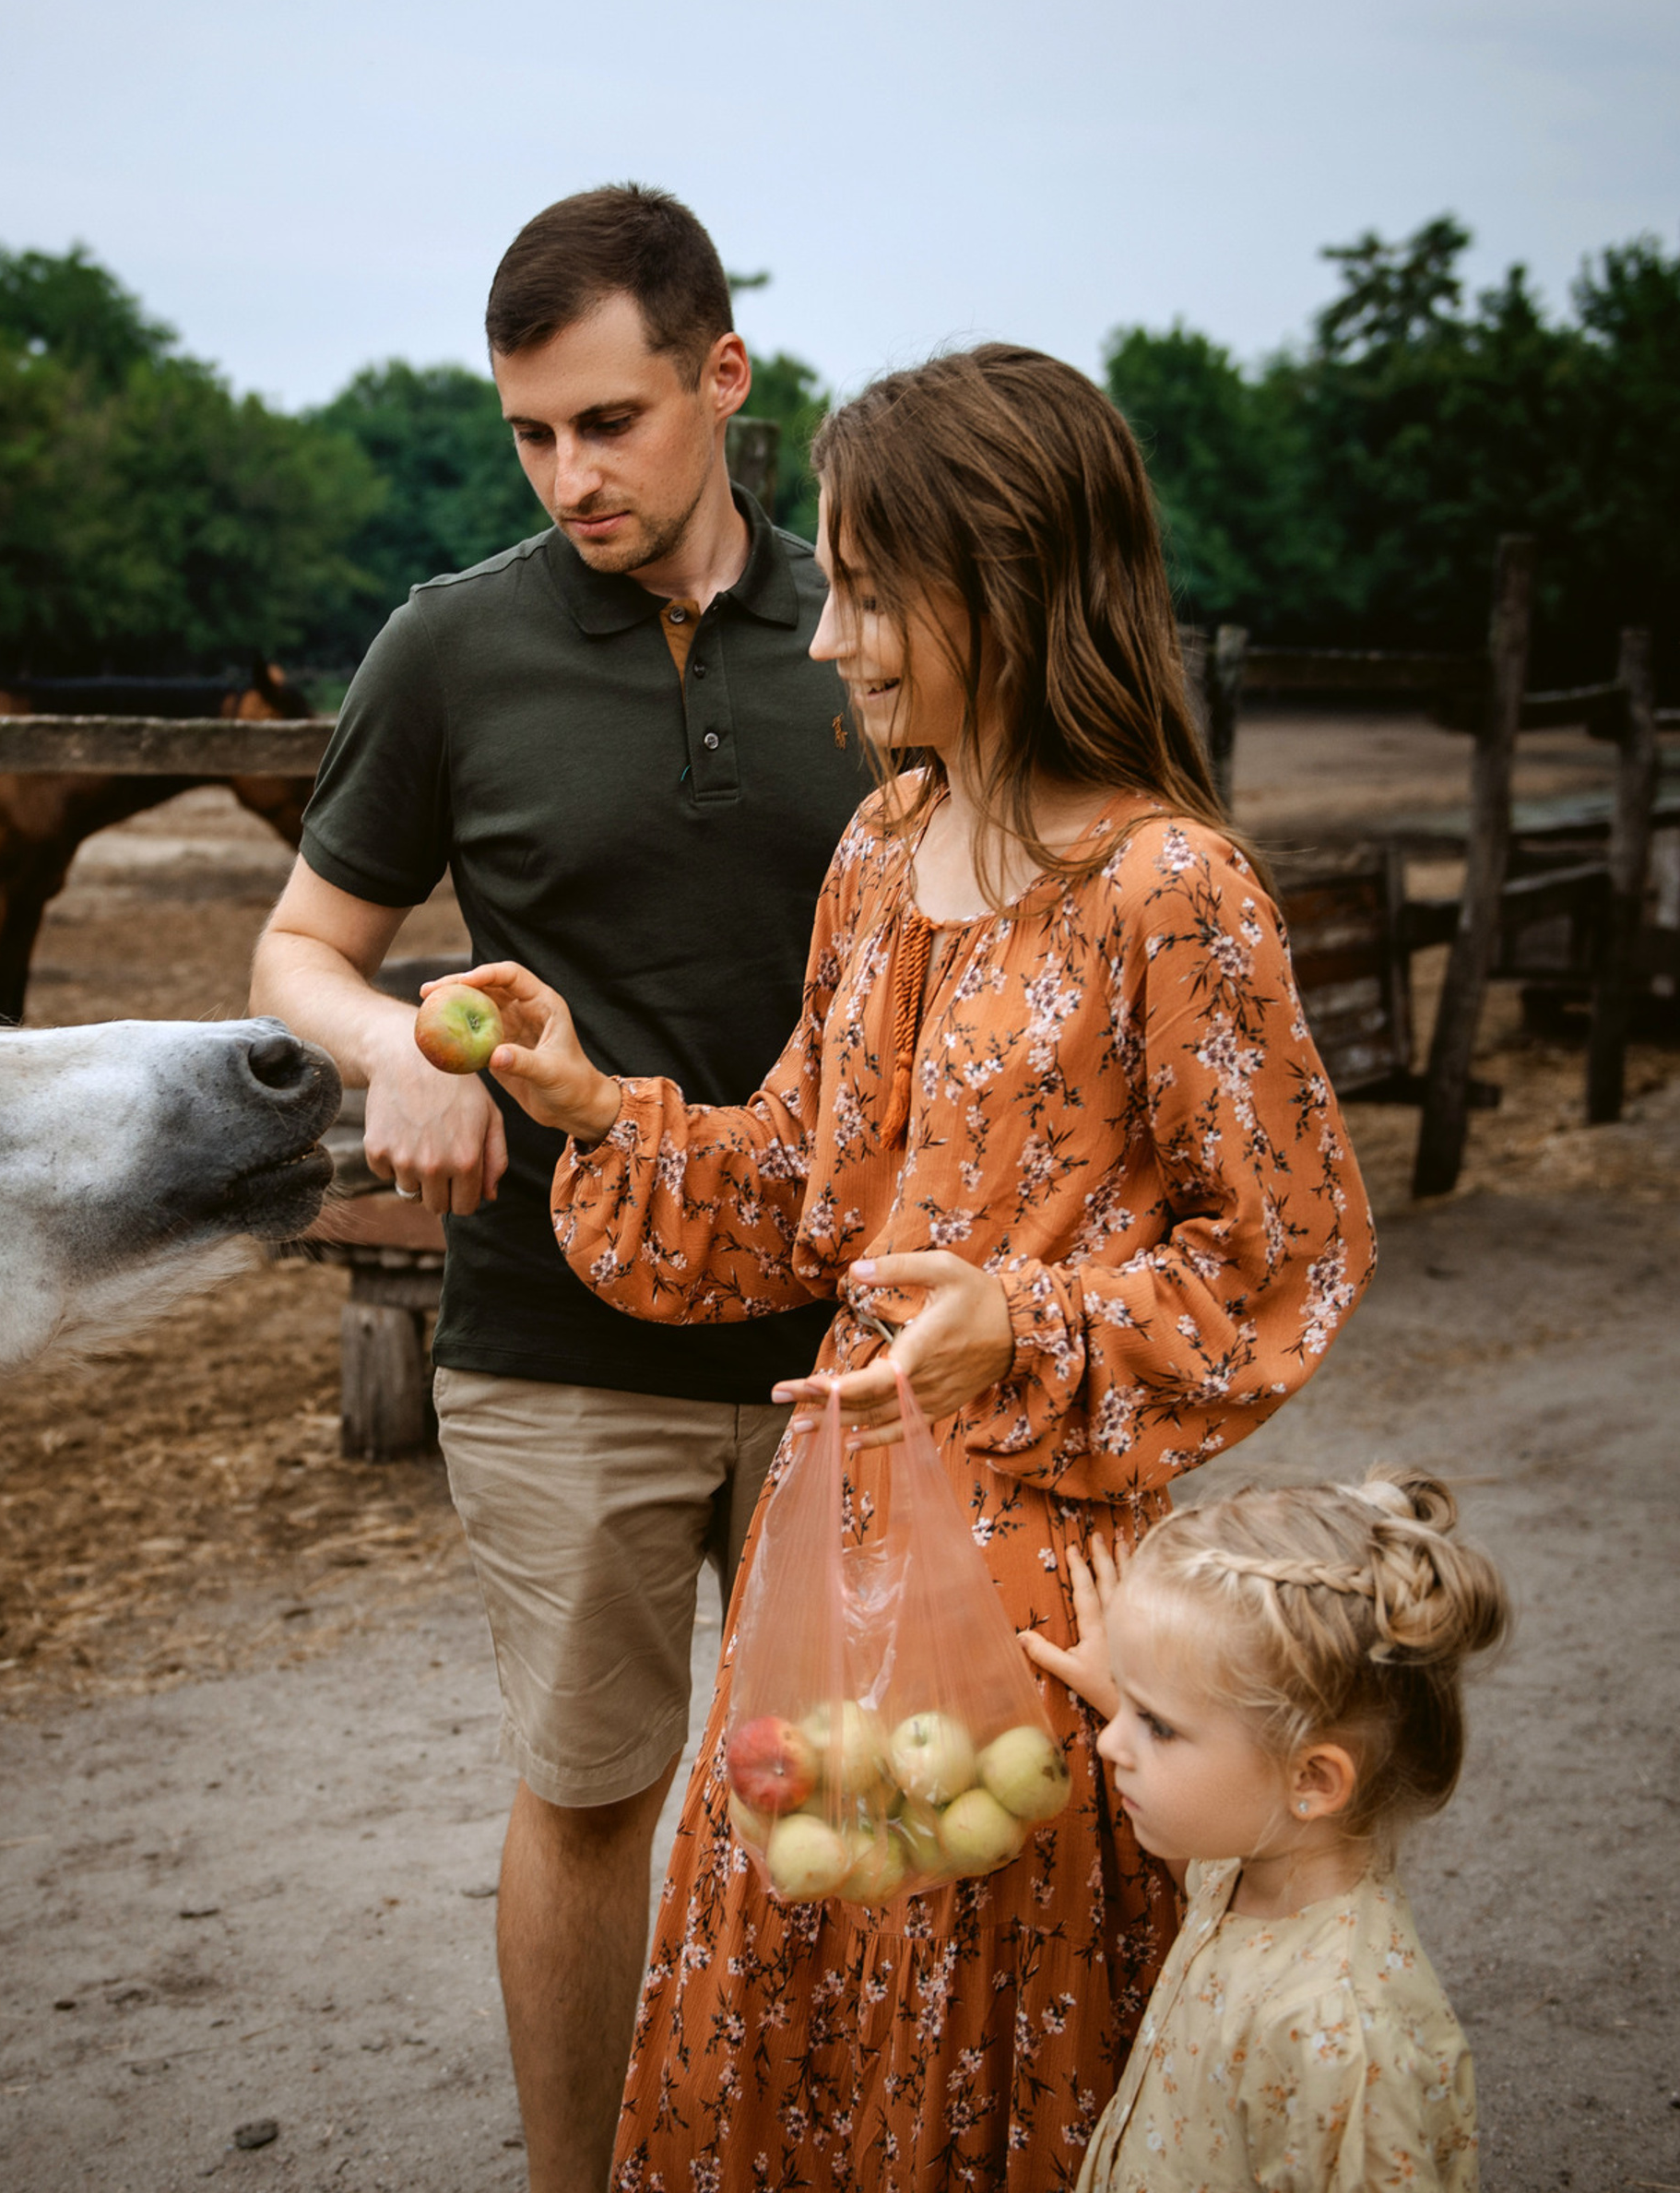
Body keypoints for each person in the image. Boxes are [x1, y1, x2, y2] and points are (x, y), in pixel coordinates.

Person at [444, 344, 1378, 2187]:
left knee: (994, 2052)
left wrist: (1013, 1323)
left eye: (867, 587)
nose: (823, 636)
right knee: (806, 2014)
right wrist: (592, 1105)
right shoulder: (882, 844)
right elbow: (802, 1181)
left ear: (1007, 580)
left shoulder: (1166, 888)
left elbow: (1283, 1259)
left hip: (1047, 1595)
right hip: (836, 1564)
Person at [250, 185, 869, 2190]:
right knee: (595, 1790)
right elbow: (297, 952)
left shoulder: (871, 627)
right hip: (553, 1327)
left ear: (721, 376)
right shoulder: (452, 640)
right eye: (529, 431)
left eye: (607, 420)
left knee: (842, 1796)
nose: (567, 473)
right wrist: (395, 1052)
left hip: (845, 1343)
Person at [1023, 1472, 1501, 2190]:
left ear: (1312, 1780)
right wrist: (1126, 1689)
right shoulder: (1250, 1860)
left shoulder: (1340, 2039)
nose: (1109, 1743)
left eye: (1155, 1725)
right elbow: (1200, 1881)